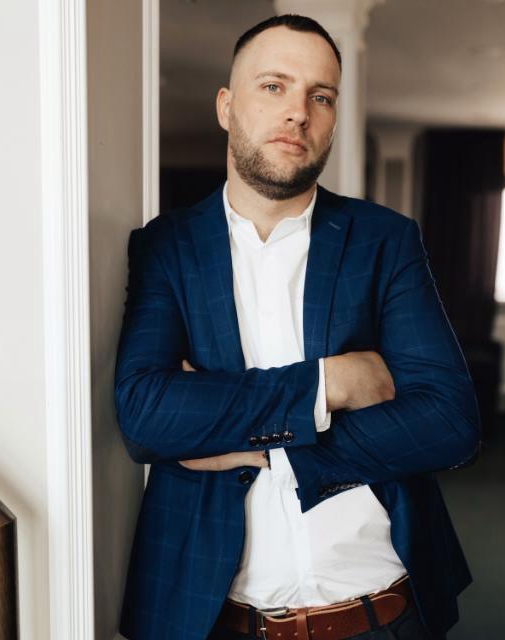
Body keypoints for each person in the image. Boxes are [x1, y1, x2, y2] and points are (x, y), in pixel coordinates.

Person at [114, 14, 480, 640]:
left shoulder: (385, 240)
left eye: (321, 96)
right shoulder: (164, 247)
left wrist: (246, 436)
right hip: (210, 618)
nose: (298, 113)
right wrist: (328, 385)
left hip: (383, 613)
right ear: (226, 106)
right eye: (273, 86)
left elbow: (450, 423)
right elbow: (145, 415)